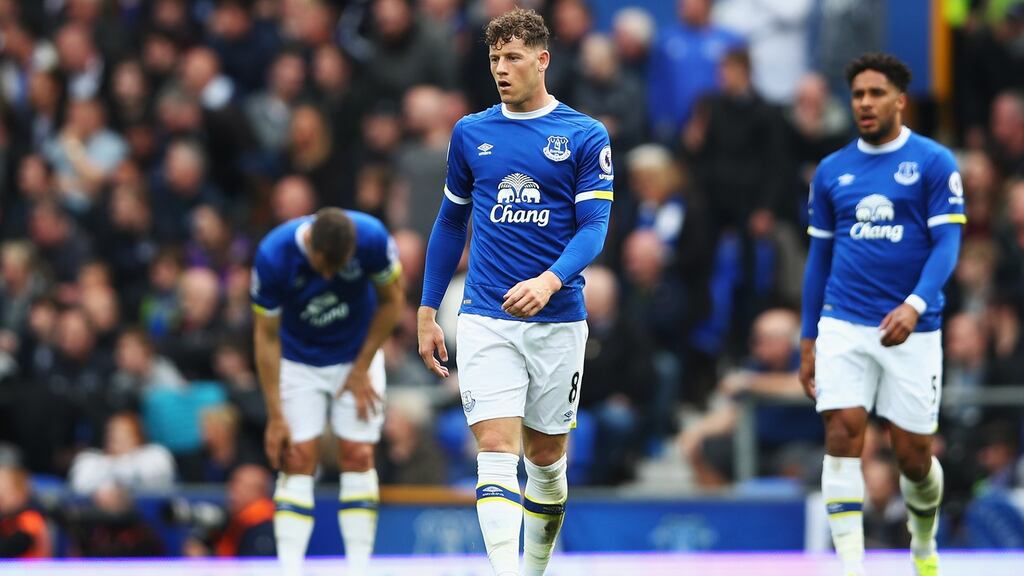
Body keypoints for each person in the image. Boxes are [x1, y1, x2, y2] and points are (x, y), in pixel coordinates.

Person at [417, 9, 613, 576]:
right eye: (494, 59)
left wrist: (550, 280)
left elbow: (593, 228)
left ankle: (533, 568)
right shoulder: (471, 132)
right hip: (485, 315)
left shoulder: (582, 134)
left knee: (546, 459)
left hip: (558, 317)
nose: (500, 70)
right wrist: (428, 309)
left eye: (513, 58)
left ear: (542, 60)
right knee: (496, 450)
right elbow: (450, 224)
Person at [800, 53, 965, 576]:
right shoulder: (831, 171)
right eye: (857, 95)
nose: (865, 103)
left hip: (913, 328)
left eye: (875, 93)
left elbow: (947, 244)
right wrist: (808, 338)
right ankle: (852, 564)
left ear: (900, 99)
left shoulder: (935, 162)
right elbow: (819, 257)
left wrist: (914, 306)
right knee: (843, 431)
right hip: (843, 321)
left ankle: (922, 541)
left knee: (913, 456)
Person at [251, 207, 403, 576]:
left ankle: (359, 566)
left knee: (359, 453)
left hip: (356, 356)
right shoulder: (273, 255)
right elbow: (266, 335)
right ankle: (289, 568)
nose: (332, 274)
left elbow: (392, 300)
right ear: (312, 249)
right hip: (298, 361)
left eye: (341, 266)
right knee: (297, 457)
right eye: (326, 267)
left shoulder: (372, 237)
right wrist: (274, 414)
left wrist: (362, 365)